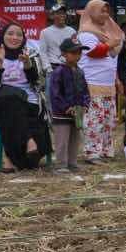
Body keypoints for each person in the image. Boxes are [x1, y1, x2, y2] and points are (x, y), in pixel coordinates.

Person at [0, 22, 52, 172]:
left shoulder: (31, 54)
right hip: (0, 103)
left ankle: (10, 159)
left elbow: (37, 81)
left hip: (30, 102)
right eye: (10, 34)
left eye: (19, 34)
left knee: (15, 106)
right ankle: (28, 141)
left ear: (24, 38)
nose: (15, 37)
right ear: (2, 36)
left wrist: (27, 64)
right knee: (10, 98)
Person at [77, 0, 125, 164]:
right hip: (92, 82)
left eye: (106, 11)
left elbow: (113, 57)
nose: (105, 14)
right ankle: (92, 153)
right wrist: (110, 44)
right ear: (91, 12)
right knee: (94, 119)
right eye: (101, 11)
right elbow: (93, 52)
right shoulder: (85, 33)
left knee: (108, 119)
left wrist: (117, 79)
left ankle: (105, 151)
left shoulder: (107, 33)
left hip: (108, 83)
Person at [48, 38, 90, 172]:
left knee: (74, 139)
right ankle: (61, 164)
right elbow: (55, 94)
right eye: (73, 52)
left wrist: (85, 105)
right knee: (62, 140)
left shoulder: (80, 71)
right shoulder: (58, 72)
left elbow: (85, 90)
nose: (77, 55)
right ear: (64, 54)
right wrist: (66, 107)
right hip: (62, 114)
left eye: (79, 52)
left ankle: (72, 162)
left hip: (77, 112)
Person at [38, 4, 76, 69]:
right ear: (52, 16)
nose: (62, 15)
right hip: (53, 67)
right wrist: (48, 68)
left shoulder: (72, 31)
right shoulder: (45, 32)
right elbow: (42, 52)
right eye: (58, 13)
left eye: (63, 13)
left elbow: (75, 50)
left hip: (69, 66)